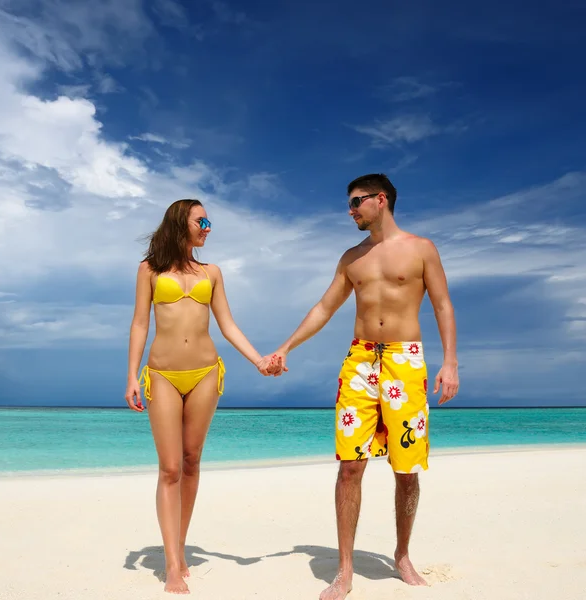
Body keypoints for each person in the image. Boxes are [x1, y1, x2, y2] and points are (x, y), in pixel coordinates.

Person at [265, 173, 459, 599]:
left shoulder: (421, 249)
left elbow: (443, 303)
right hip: (360, 361)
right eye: (349, 203)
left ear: (381, 199)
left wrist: (450, 362)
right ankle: (346, 570)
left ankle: (403, 554)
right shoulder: (352, 257)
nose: (350, 210)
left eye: (356, 202)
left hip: (406, 362)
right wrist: (286, 347)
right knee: (350, 465)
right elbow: (324, 307)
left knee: (406, 470)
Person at [124, 199, 280, 595]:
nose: (208, 228)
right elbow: (140, 322)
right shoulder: (149, 270)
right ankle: (172, 566)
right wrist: (130, 376)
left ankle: (178, 546)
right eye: (202, 221)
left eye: (209, 221)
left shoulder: (212, 272)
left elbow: (227, 324)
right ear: (181, 224)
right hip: (161, 375)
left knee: (192, 463)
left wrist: (259, 360)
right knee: (170, 468)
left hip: (206, 373)